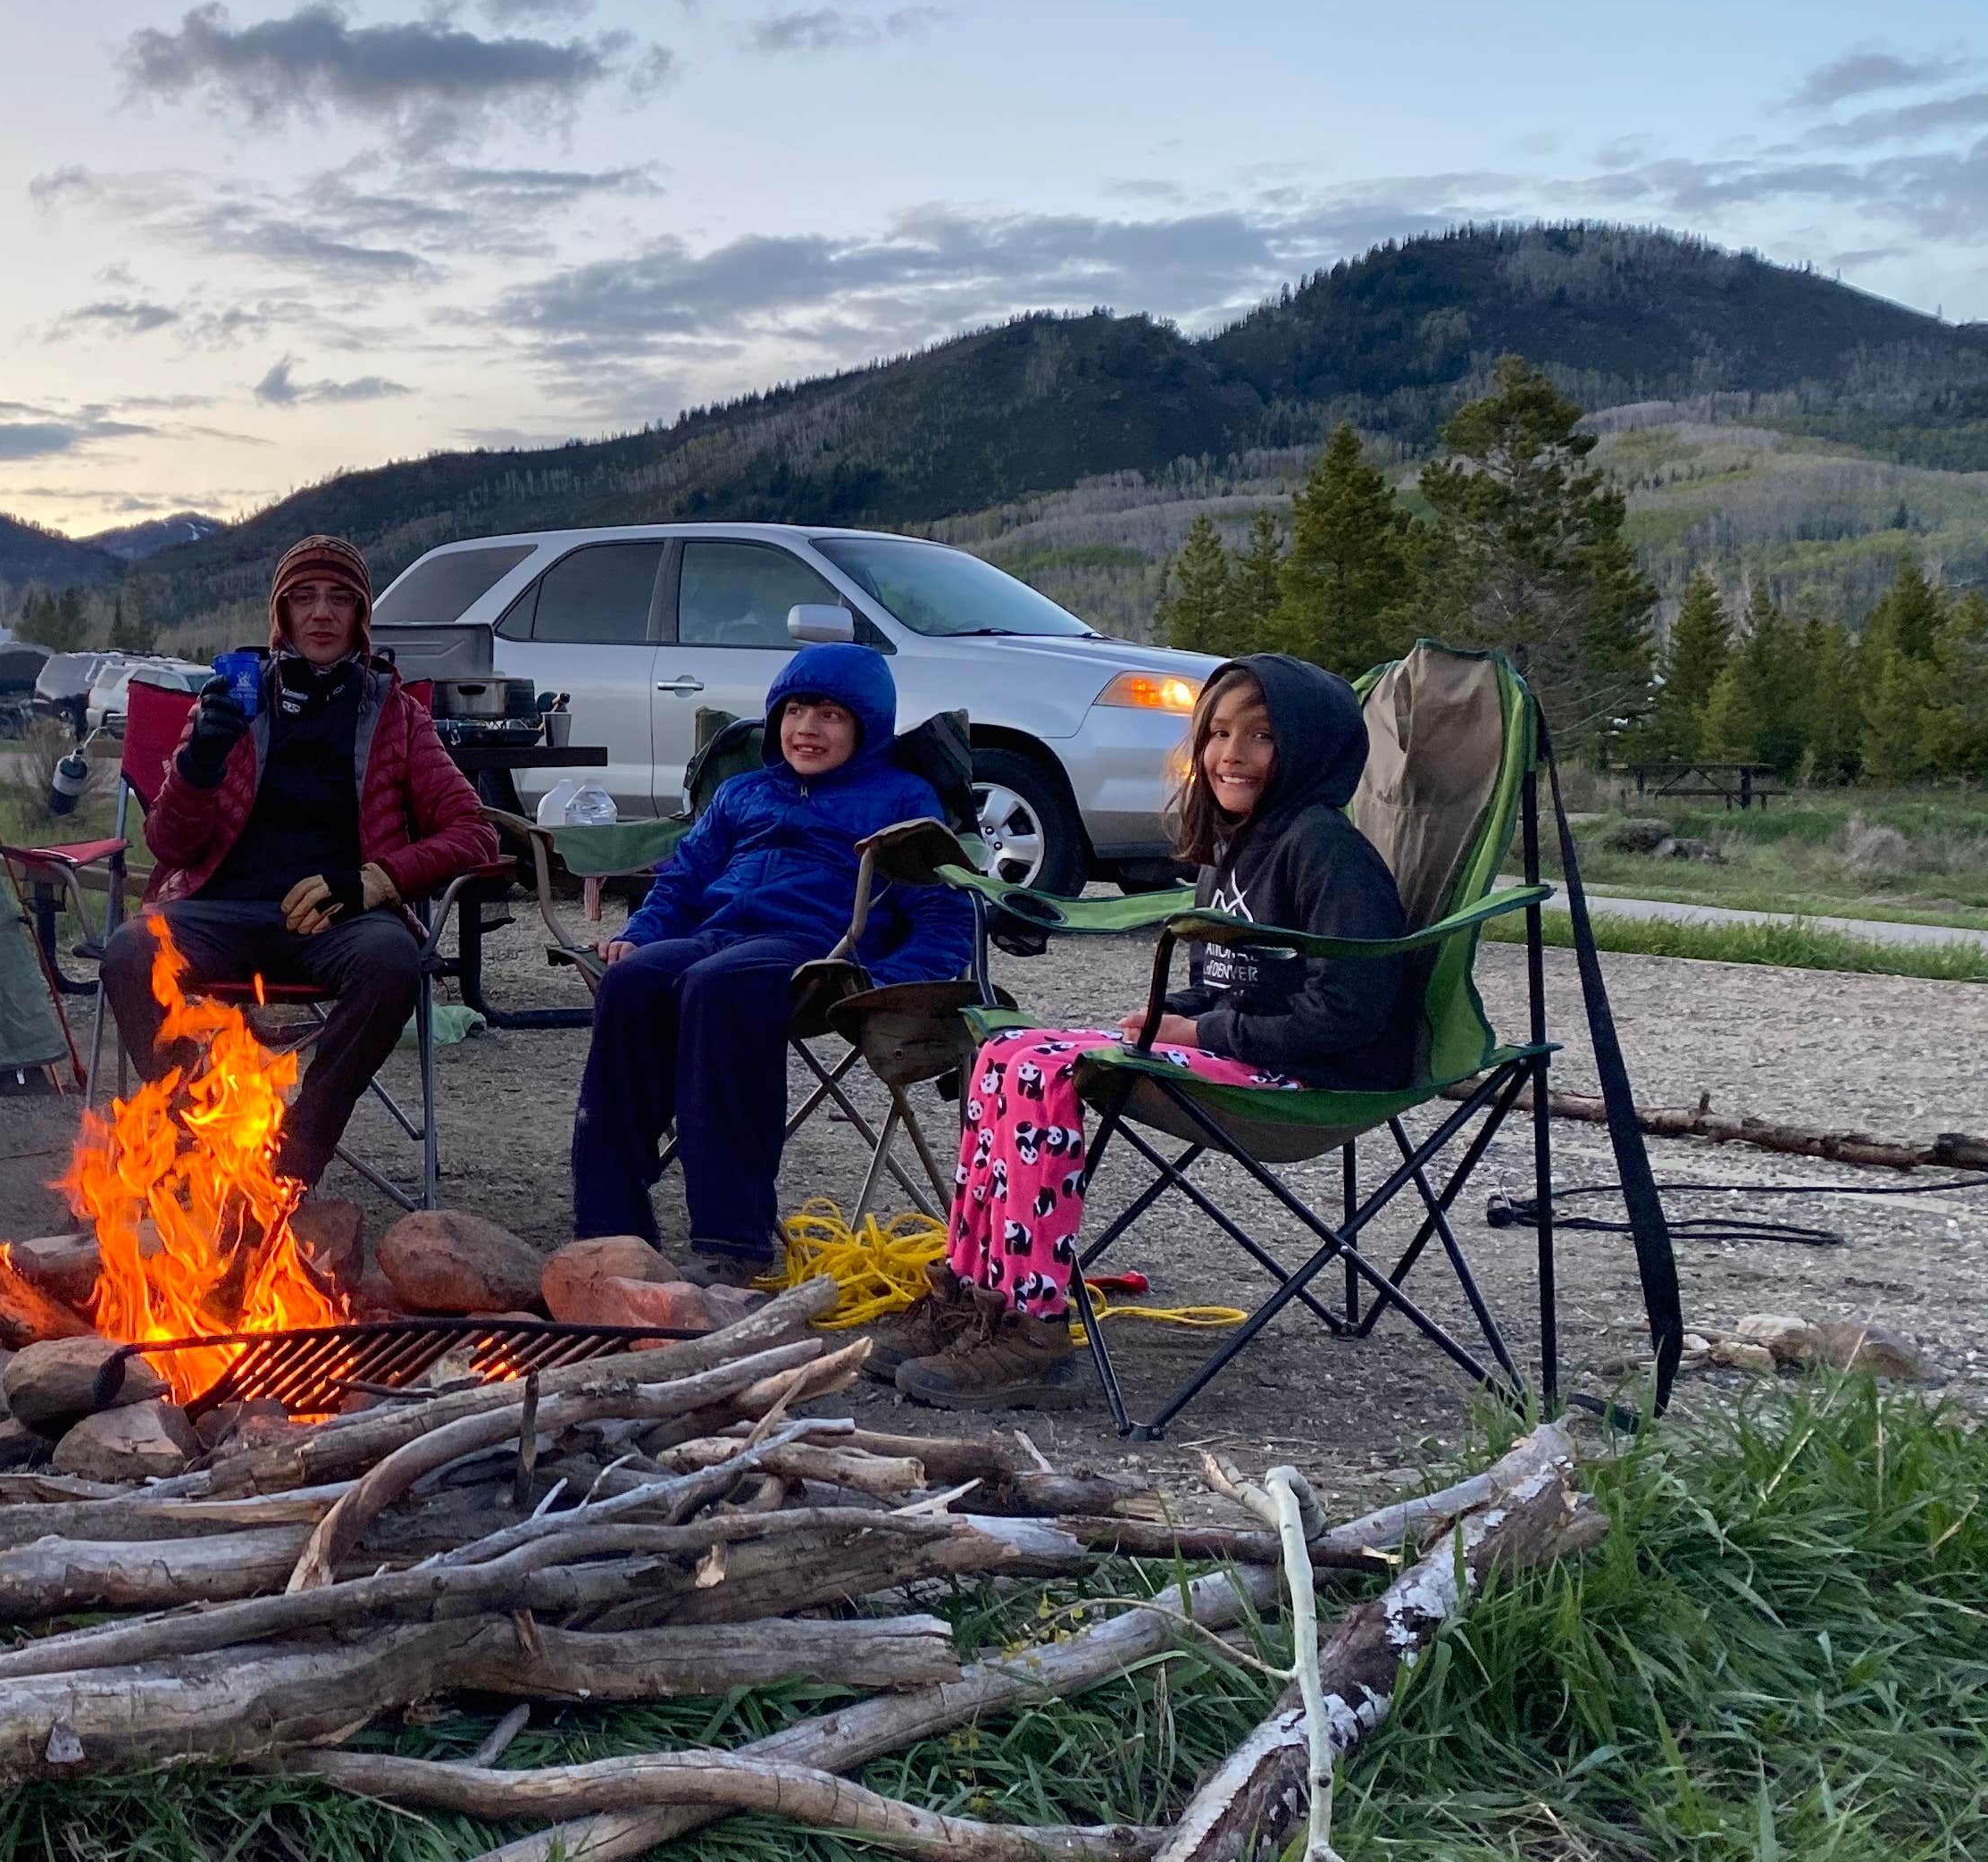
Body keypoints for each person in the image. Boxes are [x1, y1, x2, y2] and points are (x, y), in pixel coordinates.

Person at [884, 653, 1408, 1411]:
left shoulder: (1324, 848)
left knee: (1041, 1071)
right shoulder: (1237, 844)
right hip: (1240, 1052)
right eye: (1219, 733)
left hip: (1310, 1077)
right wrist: (1173, 1016)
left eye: (1262, 737)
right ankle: (974, 1296)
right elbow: (1232, 974)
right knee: (1001, 1051)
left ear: (1312, 748)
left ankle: (1033, 1330)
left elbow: (1350, 1012)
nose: (1233, 754)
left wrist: (1202, 1029)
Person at [100, 535, 497, 1190]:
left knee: (393, 962)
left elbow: (473, 832)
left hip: (335, 922)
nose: (321, 614)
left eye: (340, 600)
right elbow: (169, 846)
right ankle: (208, 1128)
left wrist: (373, 881)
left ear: (361, 617)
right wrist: (199, 762)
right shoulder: (230, 701)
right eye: (303, 599)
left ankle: (295, 1153)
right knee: (131, 950)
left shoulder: (394, 714)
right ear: (280, 616)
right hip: (219, 909)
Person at [567, 643, 966, 1277]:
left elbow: (945, 911)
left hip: (819, 949)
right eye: (795, 710)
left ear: (868, 728)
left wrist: (898, 983)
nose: (807, 728)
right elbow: (684, 879)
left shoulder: (901, 797)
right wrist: (641, 932)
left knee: (718, 987)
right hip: (719, 933)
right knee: (633, 981)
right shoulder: (742, 793)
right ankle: (611, 1226)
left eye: (832, 715)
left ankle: (732, 1242)